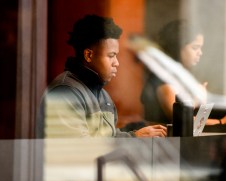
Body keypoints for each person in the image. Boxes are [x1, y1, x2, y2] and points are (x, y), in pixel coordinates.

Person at [37, 15, 166, 138]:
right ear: (88, 55)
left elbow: (109, 138)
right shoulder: (64, 91)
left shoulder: (102, 94)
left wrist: (137, 134)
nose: (116, 62)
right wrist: (133, 137)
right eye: (111, 55)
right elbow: (78, 149)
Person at [140, 19, 226, 126]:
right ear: (177, 46)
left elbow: (194, 123)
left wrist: (203, 102)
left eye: (201, 48)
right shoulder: (163, 78)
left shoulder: (179, 77)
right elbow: (181, 121)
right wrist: (222, 121)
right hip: (161, 142)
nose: (200, 53)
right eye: (195, 47)